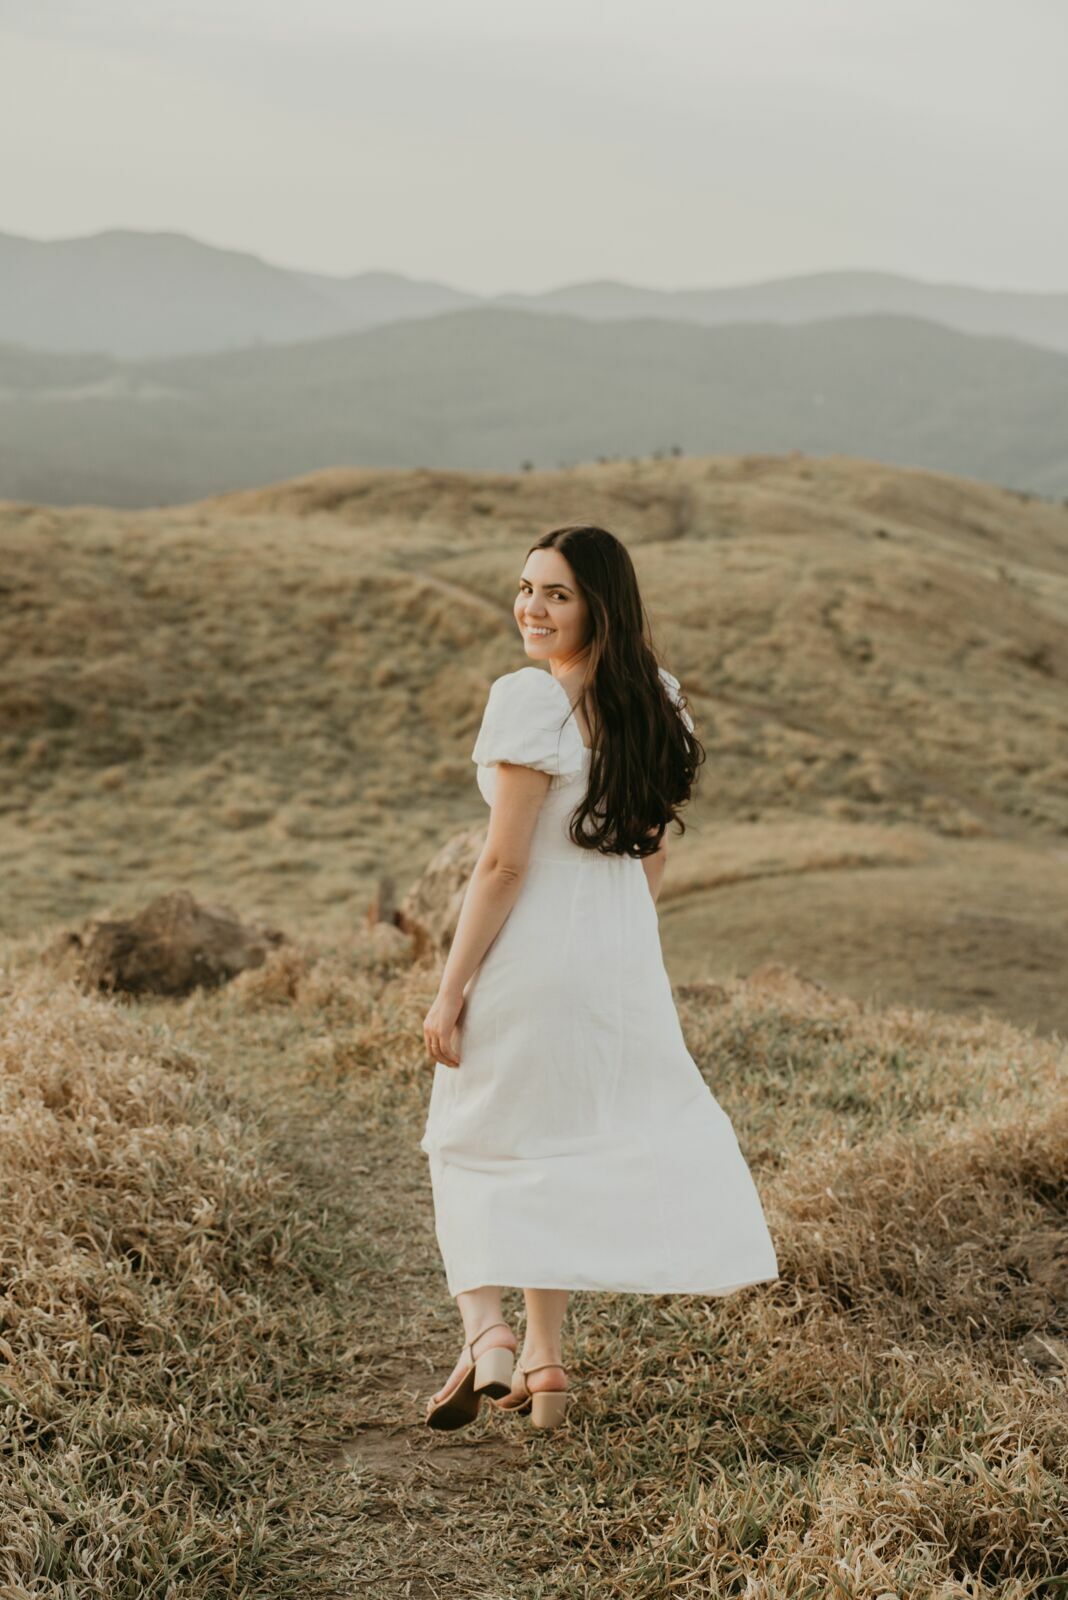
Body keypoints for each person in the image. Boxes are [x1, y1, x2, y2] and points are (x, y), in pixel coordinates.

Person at [420, 524, 779, 1432]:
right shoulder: (656, 702)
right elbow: (650, 850)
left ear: (598, 609)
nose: (531, 608)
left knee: (464, 1141)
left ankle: (488, 1332)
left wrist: (449, 988)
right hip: (618, 960)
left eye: (557, 595)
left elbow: (502, 867)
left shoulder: (527, 702)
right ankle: (545, 1366)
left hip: (530, 955)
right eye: (527, 587)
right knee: (560, 1148)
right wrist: (620, 942)